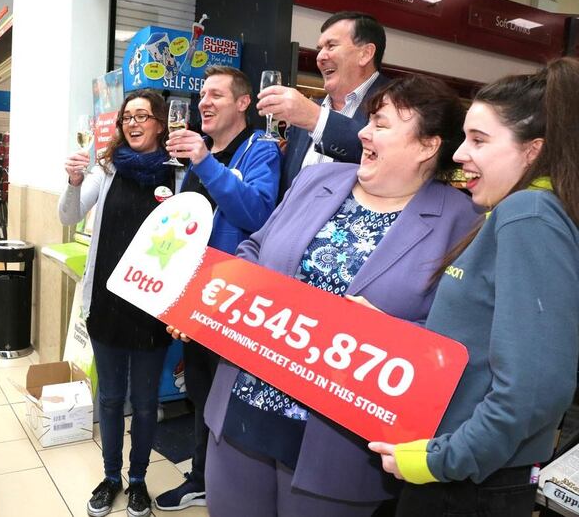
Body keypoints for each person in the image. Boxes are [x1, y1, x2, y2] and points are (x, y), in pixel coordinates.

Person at [202, 75, 481, 516]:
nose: (364, 133)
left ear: (428, 146)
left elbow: (461, 338)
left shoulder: (462, 222)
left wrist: (390, 335)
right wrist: (217, 296)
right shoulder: (317, 180)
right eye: (369, 120)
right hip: (243, 404)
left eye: (382, 124)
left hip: (338, 447)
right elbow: (255, 247)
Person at [369, 59, 579, 517]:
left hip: (470, 482)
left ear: (533, 150)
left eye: (479, 140)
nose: (461, 154)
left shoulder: (530, 214)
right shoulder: (515, 213)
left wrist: (439, 460)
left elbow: (534, 388)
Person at [155, 66, 281, 511]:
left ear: (244, 102)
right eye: (201, 95)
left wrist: (205, 164)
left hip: (232, 297)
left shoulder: (260, 149)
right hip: (193, 293)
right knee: (200, 390)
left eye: (216, 95)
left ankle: (224, 481)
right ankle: (203, 476)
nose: (203, 102)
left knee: (224, 395)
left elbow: (258, 214)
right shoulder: (199, 152)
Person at [59, 89, 176, 517]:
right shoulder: (106, 168)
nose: (133, 123)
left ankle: (139, 480)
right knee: (109, 398)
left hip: (151, 309)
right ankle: (111, 478)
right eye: (128, 116)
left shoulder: (176, 172)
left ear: (161, 124)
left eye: (143, 116)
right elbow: (69, 216)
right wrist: (73, 182)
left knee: (144, 403)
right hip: (107, 303)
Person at [256, 11, 390, 196]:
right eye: (320, 49)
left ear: (365, 54)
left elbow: (389, 162)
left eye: (331, 46)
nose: (320, 57)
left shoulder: (400, 102)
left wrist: (317, 120)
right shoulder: (309, 111)